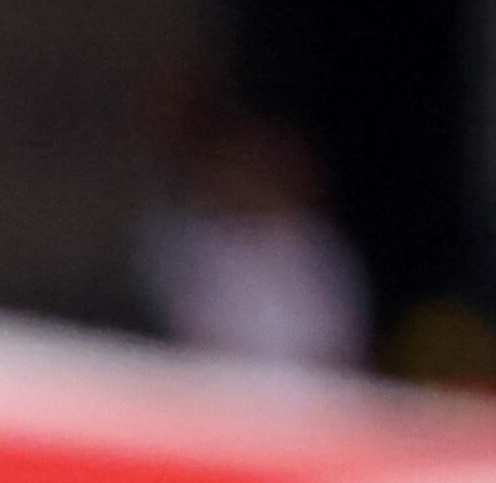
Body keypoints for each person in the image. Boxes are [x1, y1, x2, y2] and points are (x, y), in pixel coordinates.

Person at [136, 107, 367, 370]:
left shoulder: (321, 248)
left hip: (311, 396)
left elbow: (343, 343)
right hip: (215, 392)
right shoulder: (194, 242)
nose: (253, 177)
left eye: (268, 166)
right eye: (242, 166)